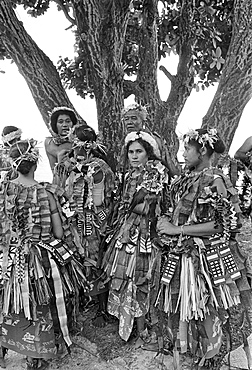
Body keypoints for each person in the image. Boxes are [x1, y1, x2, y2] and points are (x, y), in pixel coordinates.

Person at [156, 128, 252, 367]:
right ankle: (199, 350)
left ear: (204, 150)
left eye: (188, 149)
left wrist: (176, 230)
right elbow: (179, 212)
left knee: (211, 306)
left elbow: (220, 226)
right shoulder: (187, 178)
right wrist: (166, 222)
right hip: (185, 252)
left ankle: (214, 354)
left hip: (208, 258)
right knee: (192, 307)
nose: (183, 153)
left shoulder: (215, 179)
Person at [0, 139, 85, 370]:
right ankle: (38, 354)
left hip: (10, 257)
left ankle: (9, 347)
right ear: (35, 164)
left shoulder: (4, 191)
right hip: (40, 257)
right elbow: (58, 231)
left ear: (13, 164)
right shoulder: (46, 193)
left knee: (12, 301)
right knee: (40, 302)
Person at [102, 131, 170, 344]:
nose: (133, 156)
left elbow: (149, 208)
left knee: (139, 277)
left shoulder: (155, 172)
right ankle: (126, 324)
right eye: (130, 152)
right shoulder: (128, 174)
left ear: (148, 153)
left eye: (138, 151)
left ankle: (142, 328)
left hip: (144, 233)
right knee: (123, 276)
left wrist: (129, 208)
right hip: (125, 231)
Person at [56, 124, 115, 327]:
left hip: (95, 221)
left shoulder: (98, 166)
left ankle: (102, 307)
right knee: (81, 258)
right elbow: (63, 190)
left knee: (95, 259)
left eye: (80, 144)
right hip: (76, 220)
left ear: (90, 146)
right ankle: (88, 299)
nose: (78, 149)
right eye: (75, 144)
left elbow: (99, 201)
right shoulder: (71, 166)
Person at [121, 103, 180, 177]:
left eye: (134, 118)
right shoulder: (126, 141)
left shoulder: (154, 139)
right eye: (126, 119)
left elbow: (166, 162)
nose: (129, 122)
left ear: (143, 121)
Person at [44, 106, 78, 173]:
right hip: (59, 178)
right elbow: (54, 171)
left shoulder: (78, 142)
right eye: (60, 122)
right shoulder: (49, 143)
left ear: (73, 124)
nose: (64, 125)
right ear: (55, 125)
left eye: (68, 121)